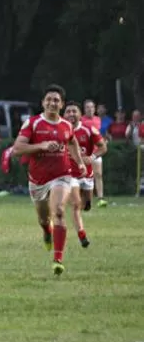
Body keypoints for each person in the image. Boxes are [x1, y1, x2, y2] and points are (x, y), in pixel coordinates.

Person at [12, 85, 85, 276]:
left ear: (61, 105)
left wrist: (79, 162)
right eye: (49, 99)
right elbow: (17, 149)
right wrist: (42, 145)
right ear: (43, 103)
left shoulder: (66, 125)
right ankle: (46, 232)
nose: (52, 103)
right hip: (38, 180)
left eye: (56, 100)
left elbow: (72, 142)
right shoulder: (33, 123)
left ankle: (58, 259)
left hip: (62, 175)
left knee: (59, 210)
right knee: (44, 219)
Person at [65, 101, 106, 247]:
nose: (71, 114)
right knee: (76, 205)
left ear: (80, 114)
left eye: (74, 111)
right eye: (68, 111)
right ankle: (82, 234)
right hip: (69, 175)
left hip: (86, 174)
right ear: (64, 115)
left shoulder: (89, 129)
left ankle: (85, 206)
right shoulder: (60, 130)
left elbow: (103, 147)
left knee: (87, 204)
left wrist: (92, 157)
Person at [81, 99, 107, 207]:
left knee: (98, 174)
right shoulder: (81, 120)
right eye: (87, 107)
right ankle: (84, 198)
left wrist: (104, 140)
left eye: (91, 107)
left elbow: (100, 134)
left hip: (96, 152)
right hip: (85, 153)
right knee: (85, 175)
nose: (90, 109)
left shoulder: (98, 120)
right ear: (84, 109)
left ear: (94, 109)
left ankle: (101, 198)